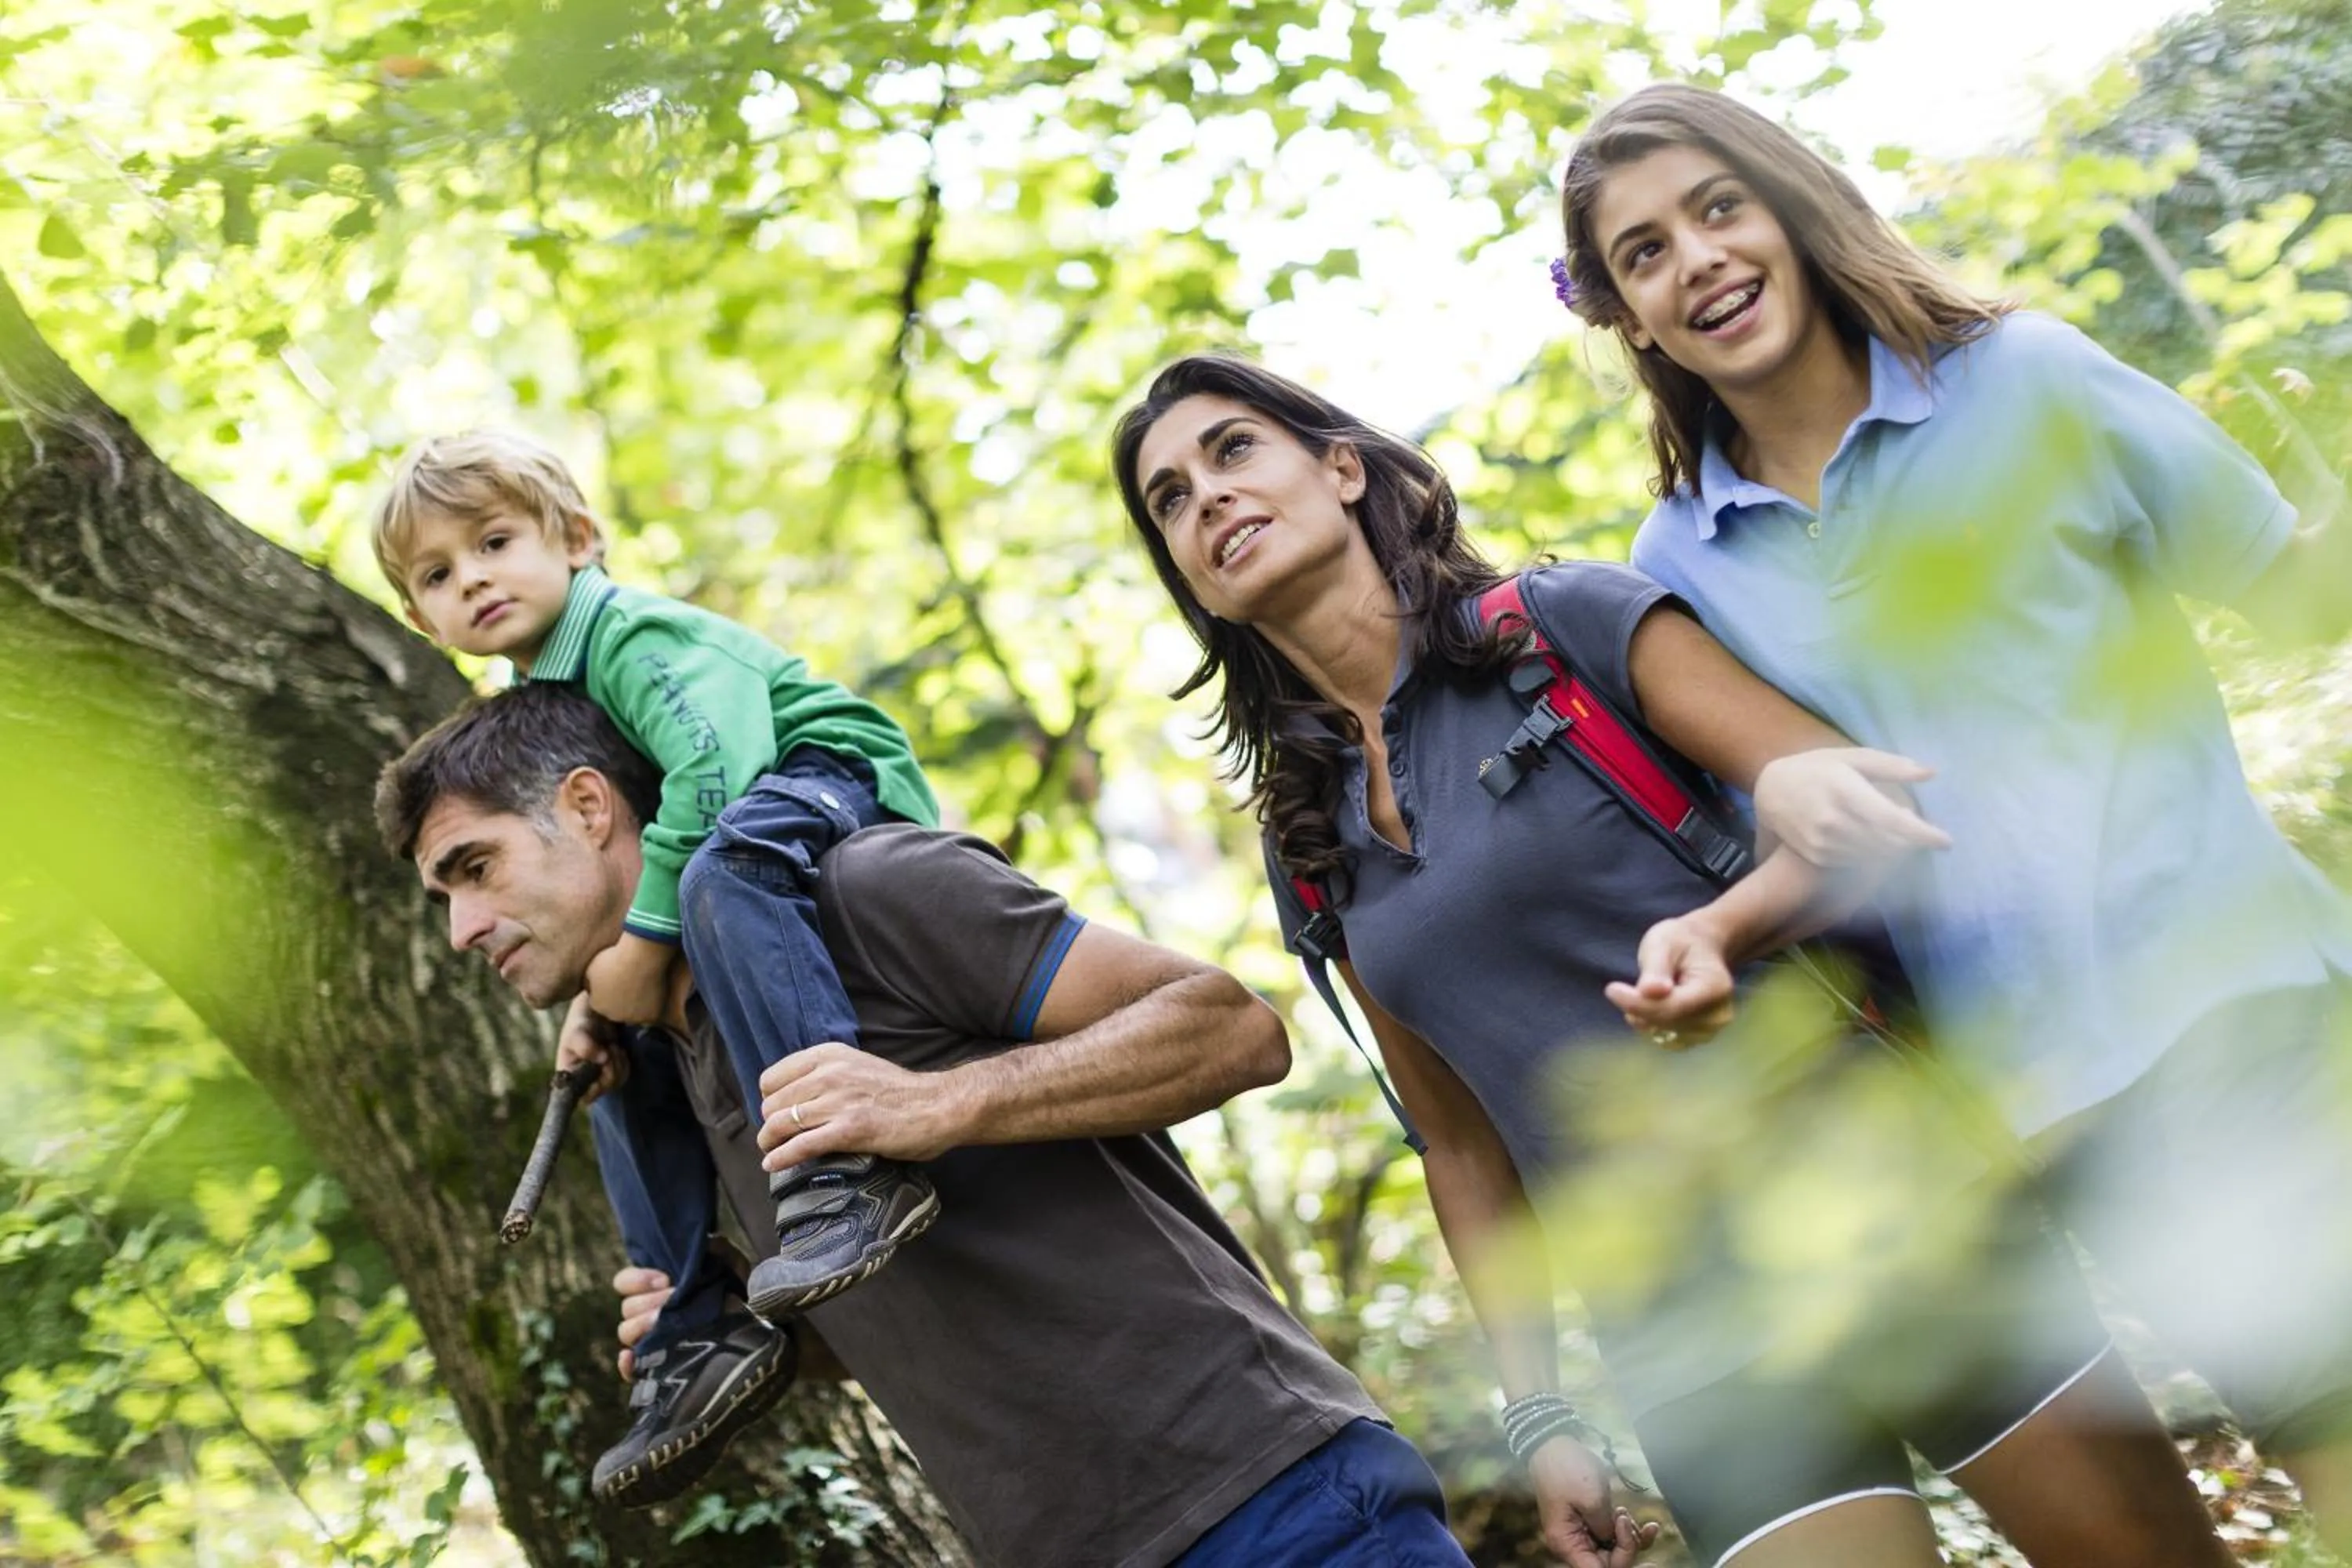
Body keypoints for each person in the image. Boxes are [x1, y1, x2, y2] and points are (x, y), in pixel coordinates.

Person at [1111, 354, 2236, 1568]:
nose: (1207, 497)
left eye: (1232, 451)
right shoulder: (1308, 841)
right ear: (1191, 581)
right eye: (1170, 499)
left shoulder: (1558, 629)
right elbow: (1460, 1144)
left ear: (1341, 469)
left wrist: (1723, 932)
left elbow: (1863, 810)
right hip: (1686, 1353)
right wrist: (1540, 1410)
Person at [1556, 80, 2352, 1552]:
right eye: (1645, 252)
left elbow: (2295, 599)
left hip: (2249, 1013)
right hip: (2057, 1116)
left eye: (1719, 208)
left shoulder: (2026, 380)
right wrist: (1715, 936)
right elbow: (1824, 848)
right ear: (1630, 319)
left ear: (1792, 209)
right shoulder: (1679, 563)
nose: (1699, 260)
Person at [374, 681, 1477, 1566]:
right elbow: (911, 1308)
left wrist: (934, 1101)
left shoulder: (856, 892)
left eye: (476, 868)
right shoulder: (667, 1078)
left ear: (587, 806)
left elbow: (1232, 1027)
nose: (463, 928)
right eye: (444, 898)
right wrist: (755, 1328)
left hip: (1272, 1498)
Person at [372, 430, 943, 1338]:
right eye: (437, 574)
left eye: (494, 542)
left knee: (726, 871)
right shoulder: (545, 700)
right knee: (611, 1046)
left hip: (827, 767)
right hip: (747, 814)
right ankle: (691, 1318)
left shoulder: (627, 635)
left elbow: (719, 774)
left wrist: (640, 944)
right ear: (419, 618)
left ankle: (843, 1167)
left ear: (576, 538)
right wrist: (602, 991)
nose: (472, 578)